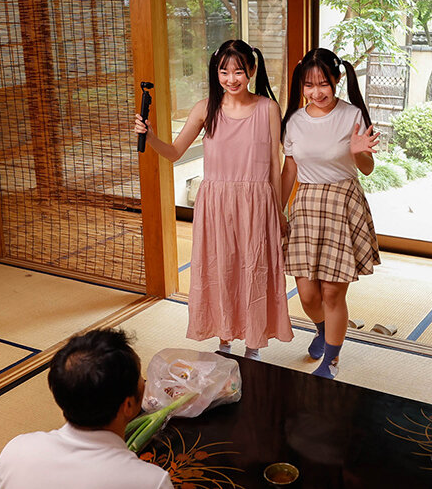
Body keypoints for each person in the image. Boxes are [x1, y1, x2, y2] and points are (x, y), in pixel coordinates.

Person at [134, 39, 293, 360]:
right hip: (216, 205)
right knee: (220, 269)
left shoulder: (268, 108)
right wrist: (150, 137)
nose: (231, 79)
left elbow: (274, 165)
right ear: (215, 72)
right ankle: (224, 339)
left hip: (256, 203)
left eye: (238, 71)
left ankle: (253, 343)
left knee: (254, 269)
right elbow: (174, 152)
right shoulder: (205, 108)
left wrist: (278, 212)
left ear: (252, 70)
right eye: (224, 72)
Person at [280, 48, 381, 379]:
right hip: (306, 205)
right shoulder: (294, 121)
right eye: (309, 85)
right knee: (308, 294)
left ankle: (331, 361)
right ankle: (323, 331)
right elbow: (289, 170)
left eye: (323, 83)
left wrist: (358, 152)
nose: (316, 92)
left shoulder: (352, 115)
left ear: (337, 79)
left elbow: (367, 168)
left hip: (342, 203)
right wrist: (277, 210)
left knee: (333, 292)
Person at [0, 328, 173, 489]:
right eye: (140, 377)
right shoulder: (150, 481)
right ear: (128, 405)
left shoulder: (17, 450)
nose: (144, 382)